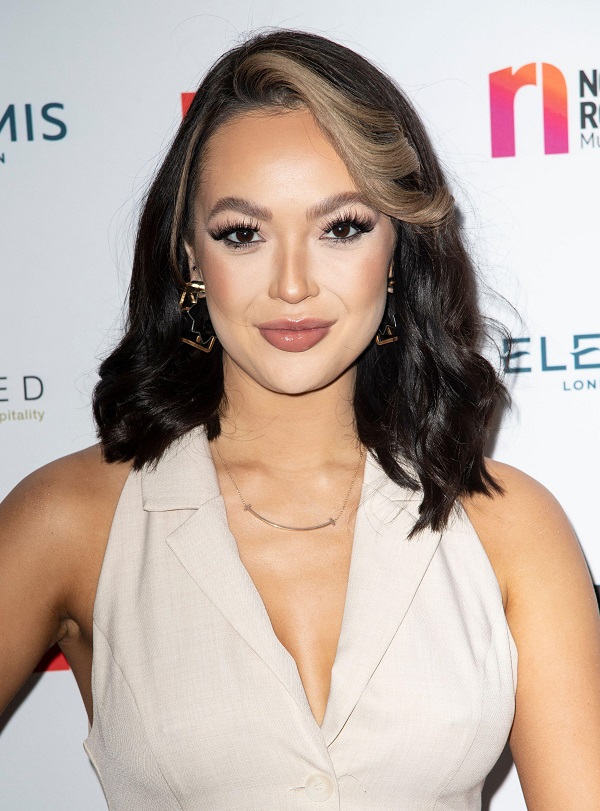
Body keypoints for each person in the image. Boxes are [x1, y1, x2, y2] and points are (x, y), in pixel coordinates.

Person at [1, 29, 599, 811]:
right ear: (188, 255)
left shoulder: (510, 527)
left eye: (341, 227)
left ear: (398, 248)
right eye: (242, 233)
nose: (291, 284)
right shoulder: (72, 518)